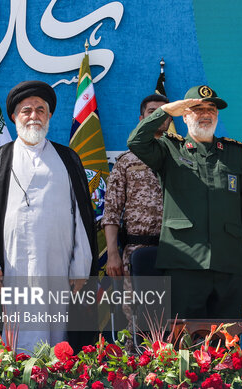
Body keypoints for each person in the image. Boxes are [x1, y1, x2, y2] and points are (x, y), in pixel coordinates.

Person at [0, 80, 98, 352]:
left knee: (60, 333)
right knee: (14, 333)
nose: (34, 116)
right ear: (15, 117)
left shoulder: (68, 158)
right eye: (26, 110)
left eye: (41, 109)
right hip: (11, 267)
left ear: (49, 116)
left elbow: (83, 218)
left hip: (59, 267)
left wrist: (80, 266)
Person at [127, 85, 242, 319]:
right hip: (184, 262)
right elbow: (136, 142)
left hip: (228, 261)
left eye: (211, 109)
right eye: (197, 108)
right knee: (184, 342)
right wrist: (166, 110)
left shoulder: (234, 153)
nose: (206, 113)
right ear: (185, 115)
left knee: (227, 340)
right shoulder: (169, 148)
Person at [102, 93, 171, 336]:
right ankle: (137, 373)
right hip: (136, 253)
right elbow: (111, 211)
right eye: (153, 111)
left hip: (175, 253)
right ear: (141, 118)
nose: (158, 116)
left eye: (164, 112)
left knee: (174, 320)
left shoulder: (182, 157)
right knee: (136, 319)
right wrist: (113, 254)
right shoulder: (126, 161)